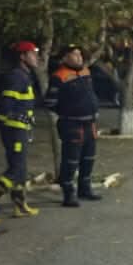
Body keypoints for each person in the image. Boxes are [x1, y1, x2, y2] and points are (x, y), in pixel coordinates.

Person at [0, 41, 42, 224]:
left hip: (21, 129)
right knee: (15, 169)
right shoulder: (16, 77)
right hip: (14, 130)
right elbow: (6, 105)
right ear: (22, 57)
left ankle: (19, 205)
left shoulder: (24, 76)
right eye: (32, 54)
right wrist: (6, 121)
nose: (36, 57)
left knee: (21, 170)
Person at [45, 43, 102, 208]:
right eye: (74, 55)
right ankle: (69, 194)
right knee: (71, 161)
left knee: (88, 159)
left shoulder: (85, 71)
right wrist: (69, 112)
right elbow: (50, 102)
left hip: (90, 123)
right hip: (72, 125)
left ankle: (85, 189)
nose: (79, 57)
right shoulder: (59, 76)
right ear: (65, 58)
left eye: (80, 54)